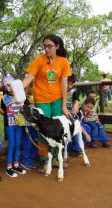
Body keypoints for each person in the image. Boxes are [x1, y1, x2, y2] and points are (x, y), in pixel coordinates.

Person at [22, 34, 72, 169]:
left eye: (50, 46)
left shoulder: (63, 62)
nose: (46, 49)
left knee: (57, 128)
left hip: (57, 99)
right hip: (42, 100)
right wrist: (18, 87)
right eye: (45, 46)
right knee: (44, 129)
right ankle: (45, 159)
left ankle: (56, 158)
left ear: (57, 46)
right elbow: (29, 77)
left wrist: (64, 105)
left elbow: (64, 83)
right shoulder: (39, 60)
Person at [0, 74, 27, 177]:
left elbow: (25, 108)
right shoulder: (4, 98)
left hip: (19, 124)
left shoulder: (20, 96)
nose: (10, 88)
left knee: (18, 143)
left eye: (11, 85)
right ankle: (9, 167)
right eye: (7, 86)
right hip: (9, 124)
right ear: (5, 88)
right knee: (12, 144)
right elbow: (2, 111)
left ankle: (16, 165)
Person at [20, 81, 38, 170]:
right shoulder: (22, 99)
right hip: (28, 124)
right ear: (29, 87)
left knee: (34, 140)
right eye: (34, 87)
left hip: (34, 124)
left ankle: (31, 159)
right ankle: (25, 160)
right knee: (28, 141)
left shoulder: (32, 97)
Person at [65, 74, 83, 157]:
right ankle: (66, 150)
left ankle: (75, 149)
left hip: (71, 116)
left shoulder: (73, 91)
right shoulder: (59, 90)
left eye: (72, 84)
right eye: (68, 83)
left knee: (75, 131)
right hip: (62, 116)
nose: (69, 86)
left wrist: (75, 107)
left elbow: (76, 101)